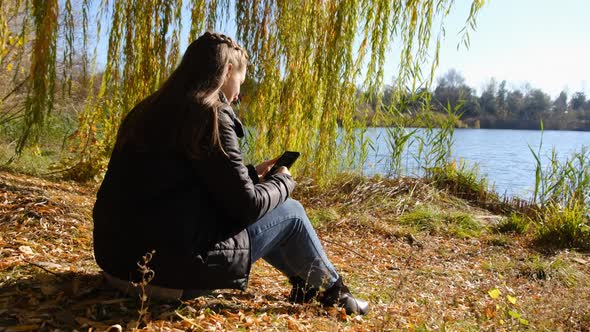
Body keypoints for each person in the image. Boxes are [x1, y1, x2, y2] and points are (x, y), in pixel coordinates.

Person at [92, 31, 369, 315]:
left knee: (270, 208)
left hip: (117, 267)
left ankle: (307, 284)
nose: (239, 92)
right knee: (291, 212)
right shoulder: (209, 114)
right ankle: (337, 294)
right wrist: (283, 181)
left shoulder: (146, 110)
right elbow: (247, 208)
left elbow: (182, 182)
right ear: (226, 71)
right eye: (240, 80)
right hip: (167, 277)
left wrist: (249, 174)